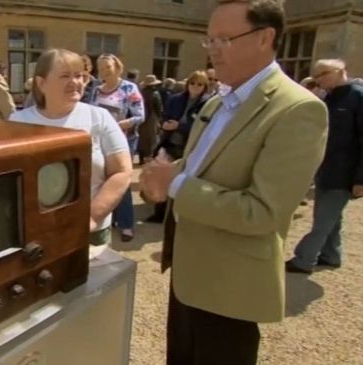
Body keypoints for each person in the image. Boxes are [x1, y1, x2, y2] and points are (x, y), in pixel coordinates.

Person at [139, 1, 328, 364]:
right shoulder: (216, 103)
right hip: (189, 276)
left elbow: (263, 212)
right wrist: (161, 178)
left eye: (223, 39)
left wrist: (175, 185)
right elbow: (198, 167)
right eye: (208, 39)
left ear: (265, 37)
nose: (211, 50)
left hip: (230, 287)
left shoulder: (297, 109)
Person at [9, 49, 132, 246]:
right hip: (35, 231)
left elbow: (122, 172)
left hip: (89, 232)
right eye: (65, 76)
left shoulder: (99, 118)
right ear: (41, 83)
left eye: (79, 76)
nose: (75, 82)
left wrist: (91, 217)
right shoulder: (18, 122)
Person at [287, 59, 363, 274]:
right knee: (330, 217)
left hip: (344, 173)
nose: (318, 80)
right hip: (325, 169)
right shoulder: (328, 98)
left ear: (339, 71)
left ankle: (304, 259)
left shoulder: (357, 97)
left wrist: (360, 179)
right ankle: (331, 255)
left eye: (323, 74)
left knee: (322, 220)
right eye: (316, 75)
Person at [92, 53, 144, 242]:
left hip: (122, 142)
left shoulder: (130, 88)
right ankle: (108, 219)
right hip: (98, 141)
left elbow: (140, 116)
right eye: (101, 67)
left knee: (121, 181)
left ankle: (126, 224)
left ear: (118, 67)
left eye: (108, 67)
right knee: (102, 180)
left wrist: (115, 126)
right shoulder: (96, 90)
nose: (104, 71)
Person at [146, 71, 210, 224]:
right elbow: (165, 115)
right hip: (170, 143)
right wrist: (165, 123)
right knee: (162, 179)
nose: (195, 87)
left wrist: (179, 126)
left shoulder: (208, 104)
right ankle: (159, 214)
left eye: (200, 84)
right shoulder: (176, 99)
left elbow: (204, 128)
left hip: (190, 147)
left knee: (183, 182)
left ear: (205, 87)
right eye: (193, 83)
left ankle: (178, 215)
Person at [138, 74, 163, 164]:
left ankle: (141, 157)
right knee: (151, 138)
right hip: (152, 118)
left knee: (142, 138)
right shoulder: (155, 93)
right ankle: (149, 157)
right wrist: (160, 119)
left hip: (141, 117)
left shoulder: (140, 92)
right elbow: (159, 108)